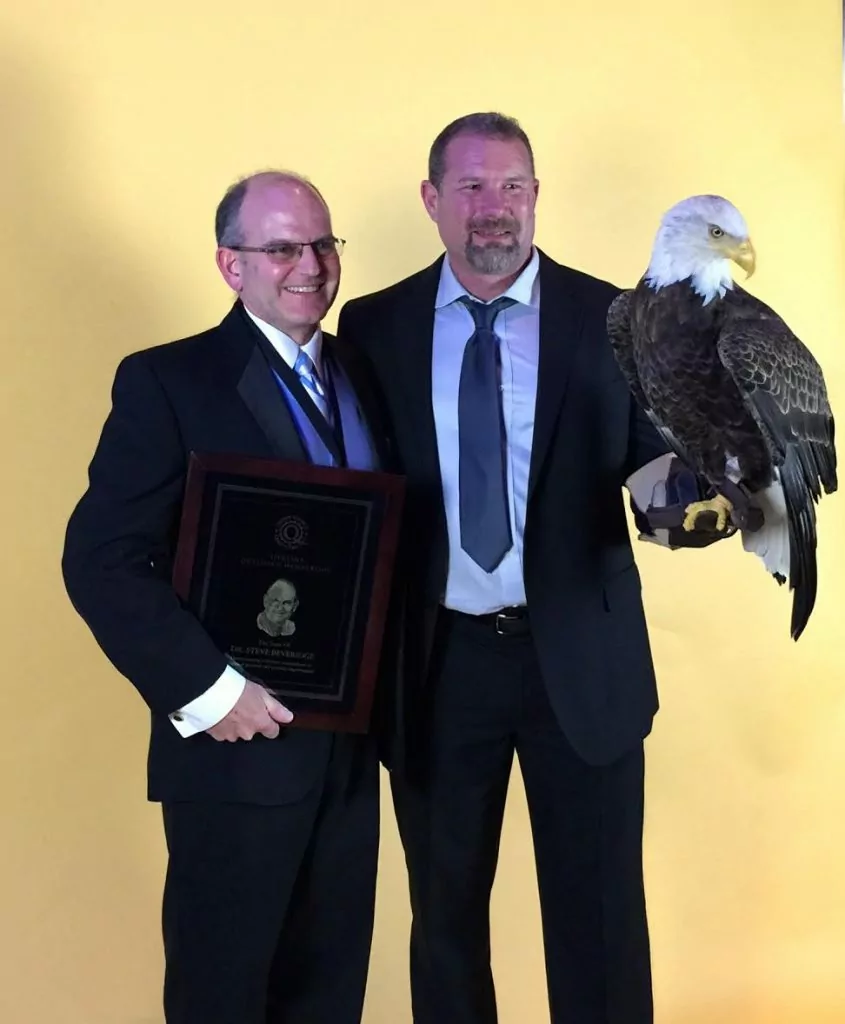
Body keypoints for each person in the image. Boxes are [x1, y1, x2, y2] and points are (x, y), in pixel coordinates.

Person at [337, 113, 729, 1024]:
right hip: (436, 665)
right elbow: (350, 480)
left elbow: (659, 461)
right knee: (443, 923)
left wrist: (701, 499)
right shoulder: (373, 324)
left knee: (597, 925)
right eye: (471, 188)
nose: (494, 210)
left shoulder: (618, 320)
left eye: (512, 186)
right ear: (432, 200)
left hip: (579, 666)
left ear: (537, 195)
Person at [62, 170, 389, 1024]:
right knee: (223, 996)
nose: (309, 265)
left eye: (322, 243)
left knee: (329, 998)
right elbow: (99, 558)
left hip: (350, 756)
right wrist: (211, 692)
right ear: (228, 264)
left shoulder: (364, 372)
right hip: (232, 751)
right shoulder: (170, 381)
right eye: (280, 247)